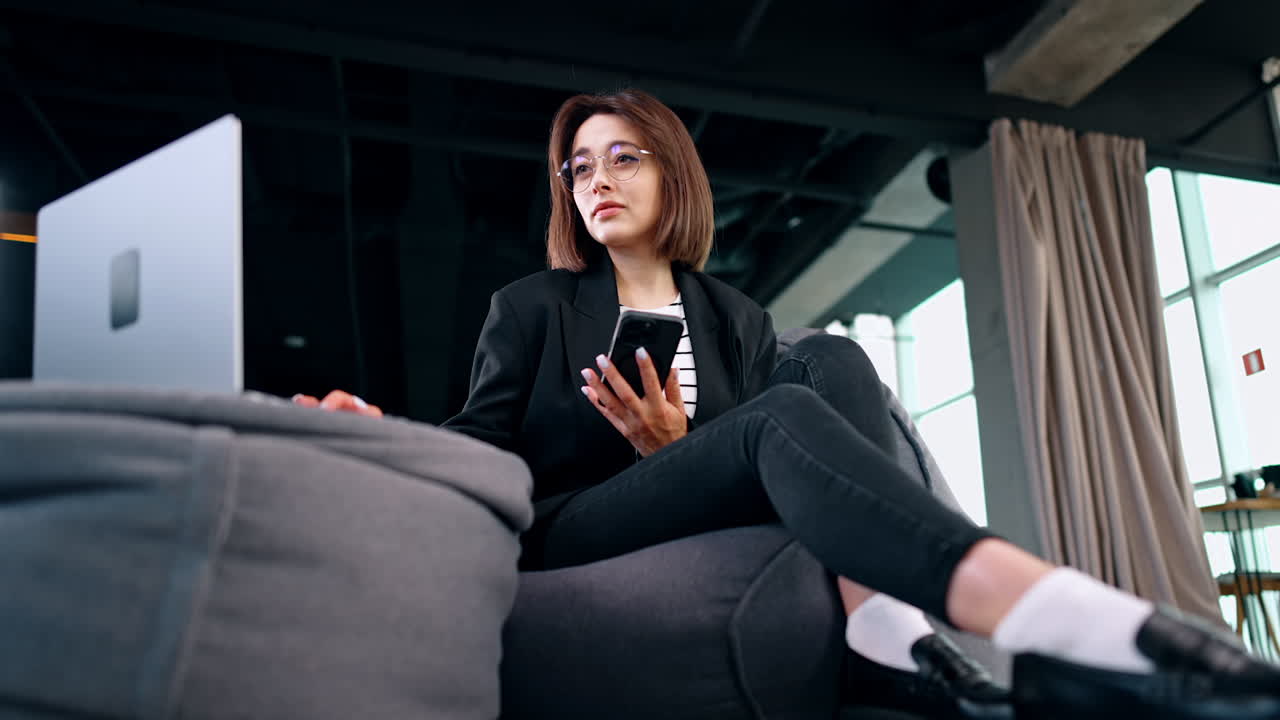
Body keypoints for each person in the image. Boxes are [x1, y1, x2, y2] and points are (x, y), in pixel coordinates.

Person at [295, 88, 1280, 717]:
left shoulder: (731, 315)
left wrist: (678, 448)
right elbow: (480, 443)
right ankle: (1068, 624)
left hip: (716, 483)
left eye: (621, 157)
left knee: (836, 363)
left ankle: (883, 636)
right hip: (573, 525)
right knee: (774, 417)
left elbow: (774, 443)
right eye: (578, 165)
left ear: (669, 171)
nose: (594, 178)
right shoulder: (531, 307)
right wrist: (389, 438)